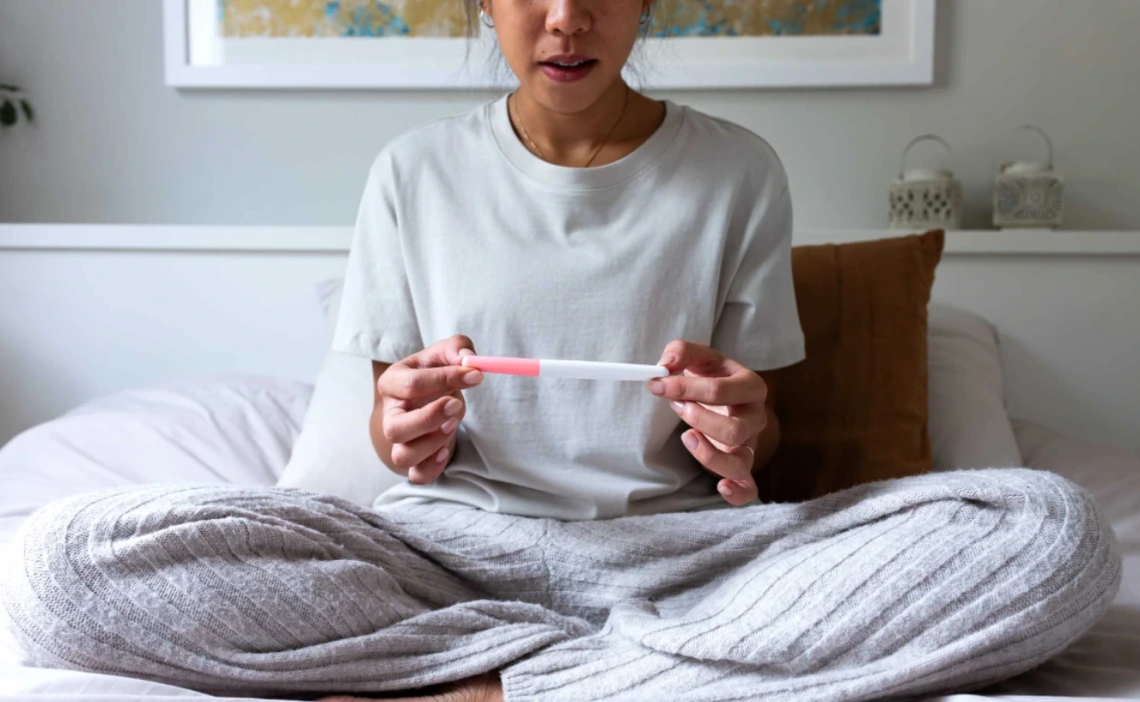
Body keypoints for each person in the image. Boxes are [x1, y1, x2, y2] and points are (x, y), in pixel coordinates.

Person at [1, 2, 1120, 701]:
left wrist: (743, 433)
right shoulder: (414, 173)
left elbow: (751, 438)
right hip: (441, 564)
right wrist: (400, 433)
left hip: (689, 567)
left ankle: (494, 690)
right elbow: (391, 433)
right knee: (57, 564)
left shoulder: (738, 171)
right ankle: (626, 683)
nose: (566, 20)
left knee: (1053, 533)